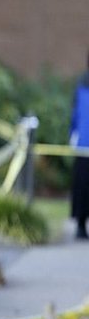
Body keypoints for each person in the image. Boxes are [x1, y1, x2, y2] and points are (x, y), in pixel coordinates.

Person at [70, 52, 89, 240]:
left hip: (84, 144)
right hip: (85, 145)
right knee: (83, 187)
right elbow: (76, 115)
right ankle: (81, 225)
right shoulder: (83, 84)